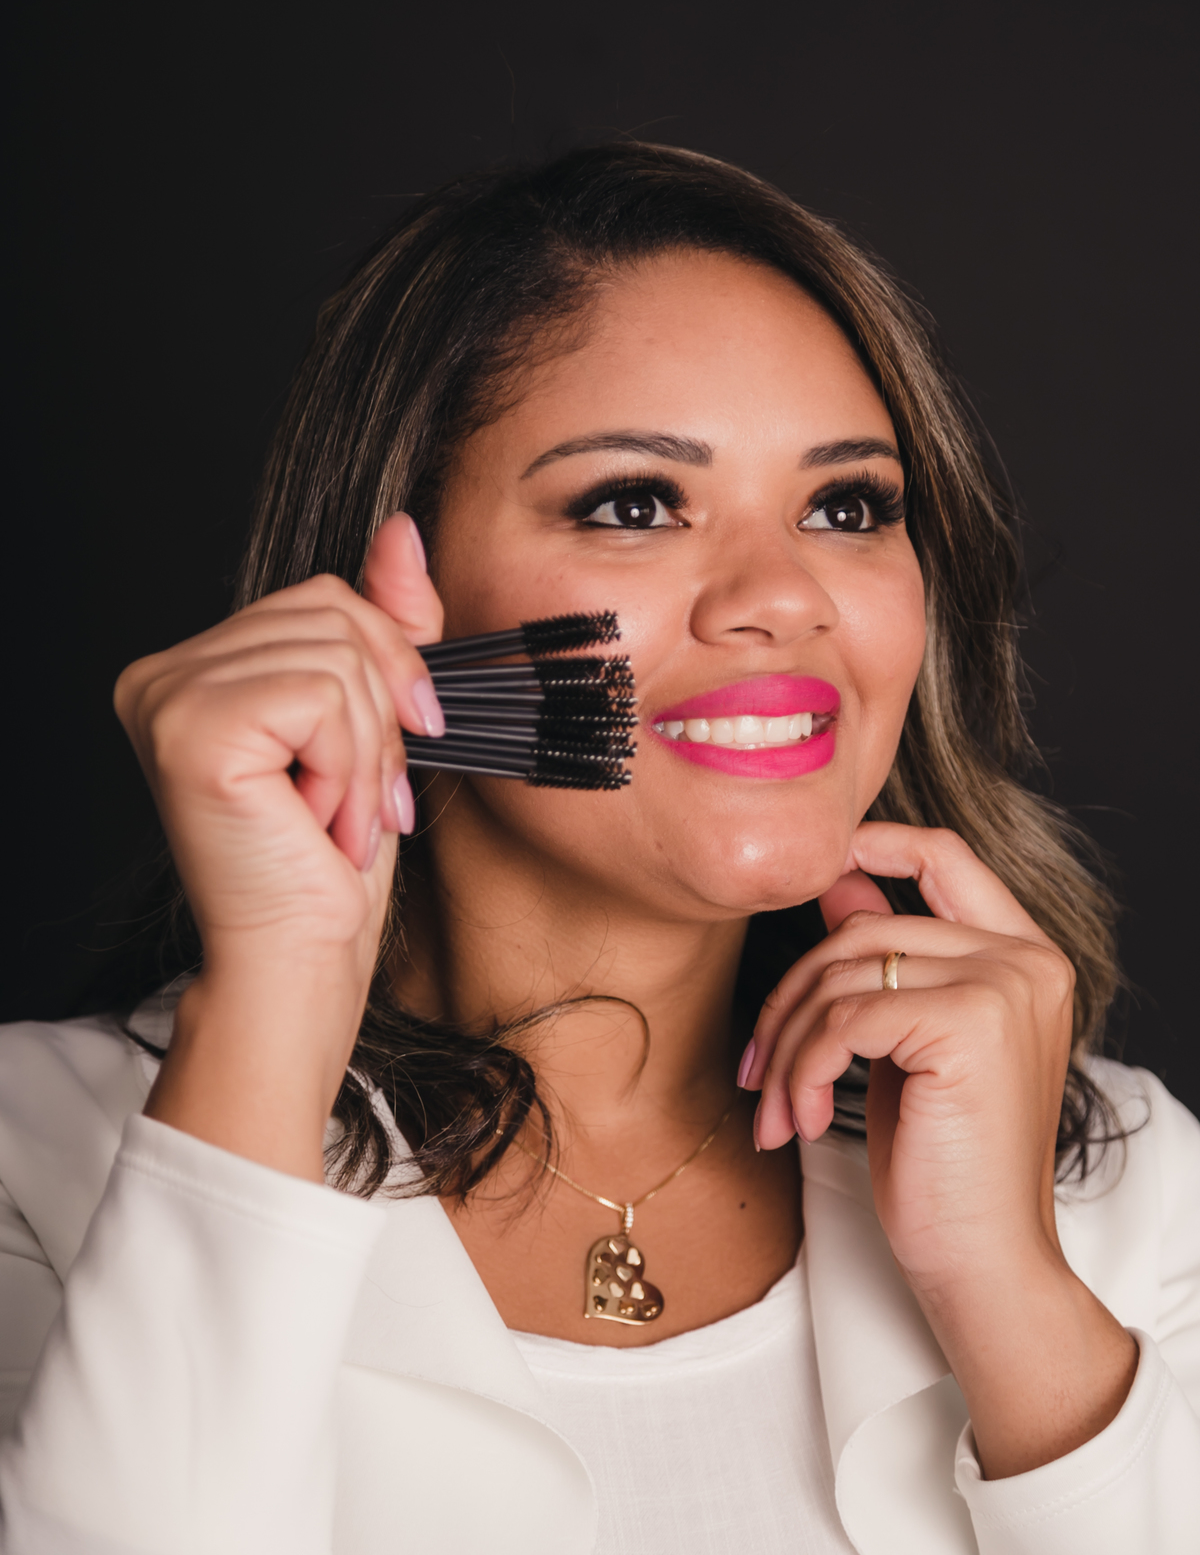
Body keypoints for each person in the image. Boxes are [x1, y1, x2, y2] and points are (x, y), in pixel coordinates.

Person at [0, 144, 1196, 1555]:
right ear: (391, 596)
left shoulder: (1124, 1190)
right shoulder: (37, 1158)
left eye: (847, 507)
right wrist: (275, 992)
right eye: (634, 503)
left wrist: (1009, 1289)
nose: (782, 597)